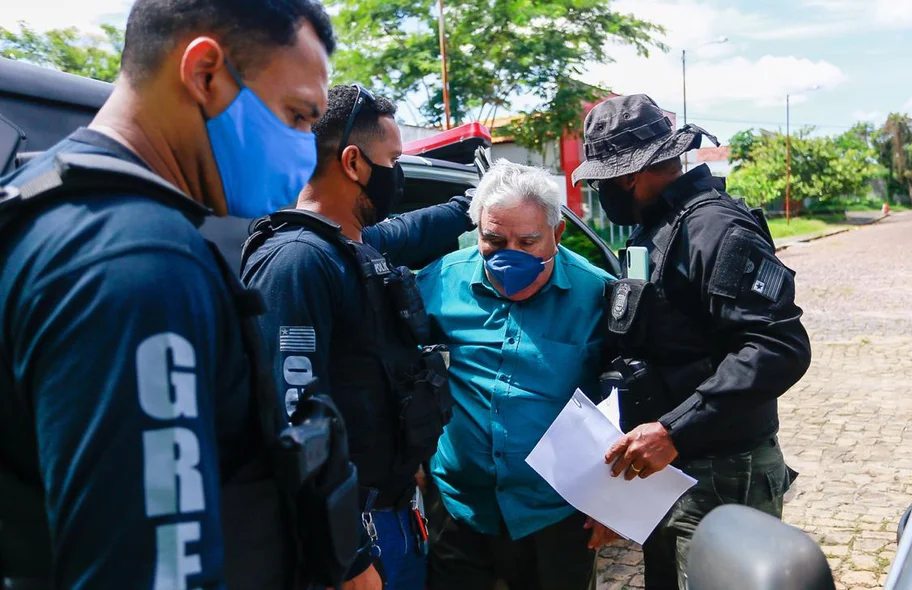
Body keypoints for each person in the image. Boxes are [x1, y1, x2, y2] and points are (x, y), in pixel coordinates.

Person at [0, 1, 349, 589]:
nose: (305, 149)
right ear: (205, 73)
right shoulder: (137, 262)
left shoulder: (40, 203)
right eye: (296, 116)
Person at [571, 94, 812, 590]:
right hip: (672, 471)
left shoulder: (717, 229)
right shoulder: (657, 229)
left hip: (723, 475)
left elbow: (778, 346)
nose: (599, 193)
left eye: (599, 182)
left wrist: (675, 429)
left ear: (628, 176)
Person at [241, 84, 471, 590]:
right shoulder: (298, 262)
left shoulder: (350, 246)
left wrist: (470, 203)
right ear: (353, 163)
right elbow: (292, 420)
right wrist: (346, 557)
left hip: (389, 514)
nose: (399, 174)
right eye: (393, 159)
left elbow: (412, 230)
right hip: (350, 540)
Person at [416, 160, 616, 590]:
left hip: (558, 514)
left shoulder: (598, 294)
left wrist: (612, 502)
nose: (510, 255)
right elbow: (403, 372)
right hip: (459, 507)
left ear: (557, 234)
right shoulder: (436, 284)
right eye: (494, 239)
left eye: (528, 242)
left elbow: (622, 401)